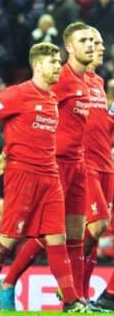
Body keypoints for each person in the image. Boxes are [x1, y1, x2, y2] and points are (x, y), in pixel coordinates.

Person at [0, 42, 88, 313]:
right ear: (37, 65)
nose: (58, 66)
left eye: (59, 62)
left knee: (56, 238)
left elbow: (32, 136)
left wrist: (8, 153)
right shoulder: (16, 94)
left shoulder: (51, 98)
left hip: (50, 177)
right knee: (8, 241)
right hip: (22, 178)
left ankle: (72, 301)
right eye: (53, 62)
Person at [0, 22, 94, 309]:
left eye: (95, 41)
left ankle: (74, 298)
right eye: (86, 41)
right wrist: (8, 151)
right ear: (69, 48)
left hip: (78, 163)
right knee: (49, 234)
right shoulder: (61, 79)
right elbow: (31, 116)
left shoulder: (91, 82)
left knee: (75, 234)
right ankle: (9, 281)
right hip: (54, 164)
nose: (94, 46)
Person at [85, 28, 114, 310]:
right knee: (92, 226)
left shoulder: (98, 82)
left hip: (104, 164)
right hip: (82, 165)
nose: (101, 48)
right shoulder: (69, 79)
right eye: (94, 42)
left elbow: (102, 128)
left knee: (91, 228)